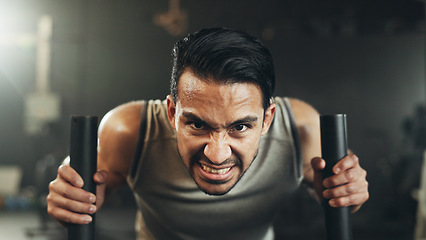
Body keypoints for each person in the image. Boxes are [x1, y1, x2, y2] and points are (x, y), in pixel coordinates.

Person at [47, 27, 369, 239]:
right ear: (173, 113)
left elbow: (332, 194)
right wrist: (70, 196)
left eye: (240, 127)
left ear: (268, 119)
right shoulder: (130, 129)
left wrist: (347, 192)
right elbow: (82, 182)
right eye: (197, 124)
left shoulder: (300, 128)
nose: (217, 155)